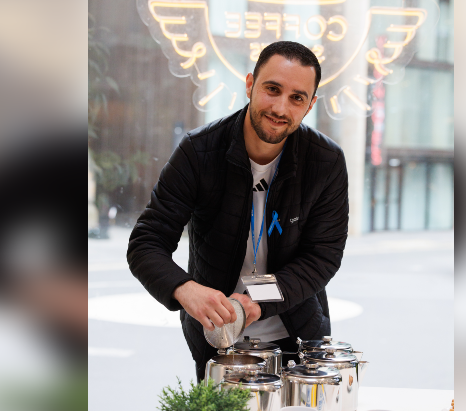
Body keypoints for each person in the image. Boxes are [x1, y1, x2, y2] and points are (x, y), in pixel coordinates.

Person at [127, 41, 349, 381]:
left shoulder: (326, 161)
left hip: (298, 333)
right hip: (215, 337)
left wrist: (255, 301)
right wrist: (186, 289)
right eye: (272, 89)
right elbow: (146, 242)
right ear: (249, 85)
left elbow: (323, 257)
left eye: (296, 97)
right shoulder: (197, 152)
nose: (280, 107)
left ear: (310, 105)